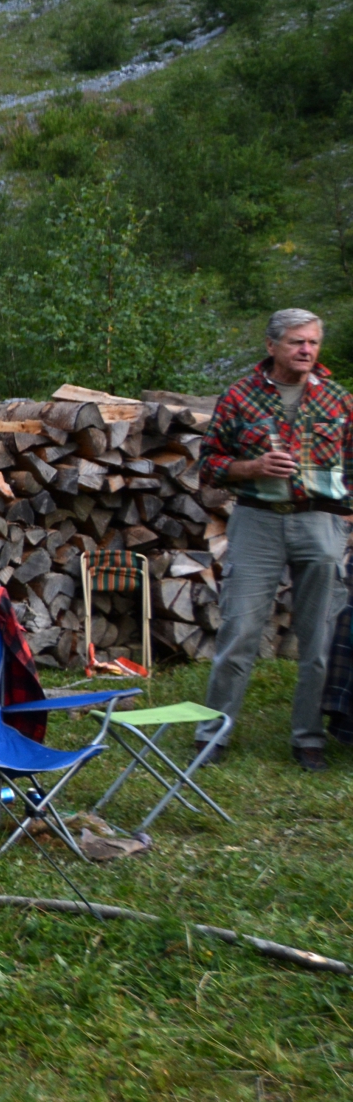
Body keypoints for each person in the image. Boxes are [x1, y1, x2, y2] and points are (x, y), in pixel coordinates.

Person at [197, 308, 353, 772]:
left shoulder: (338, 400)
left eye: (312, 342)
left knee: (319, 639)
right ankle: (213, 735)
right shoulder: (239, 396)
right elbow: (208, 464)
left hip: (320, 523)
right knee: (239, 633)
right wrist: (252, 467)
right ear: (271, 346)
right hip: (257, 522)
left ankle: (309, 739)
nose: (306, 350)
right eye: (296, 342)